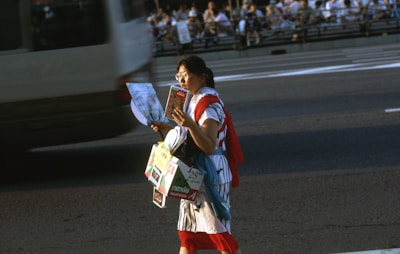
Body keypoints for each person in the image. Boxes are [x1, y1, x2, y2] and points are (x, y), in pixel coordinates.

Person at [151, 55, 244, 254]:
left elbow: (209, 146)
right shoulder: (193, 99)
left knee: (220, 237)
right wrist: (170, 129)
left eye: (185, 75)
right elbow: (189, 137)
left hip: (210, 173)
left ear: (201, 77)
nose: (181, 81)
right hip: (193, 172)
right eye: (178, 76)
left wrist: (190, 125)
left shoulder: (209, 105)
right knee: (188, 235)